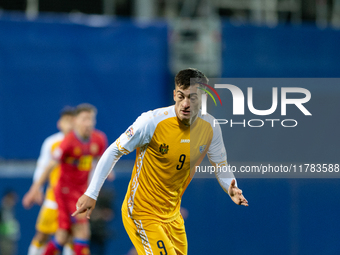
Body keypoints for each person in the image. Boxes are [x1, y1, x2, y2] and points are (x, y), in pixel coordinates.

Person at [73, 69, 248, 255]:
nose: (186, 104)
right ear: (174, 94)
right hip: (141, 211)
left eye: (193, 98)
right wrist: (92, 193)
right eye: (181, 96)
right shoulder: (151, 122)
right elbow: (114, 151)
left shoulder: (210, 127)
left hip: (172, 216)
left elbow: (221, 166)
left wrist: (230, 186)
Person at [29, 103, 108, 255]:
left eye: (91, 119)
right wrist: (35, 188)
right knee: (82, 232)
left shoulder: (99, 139)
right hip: (66, 193)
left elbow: (101, 160)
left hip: (82, 192)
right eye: (85, 119)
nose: (89, 123)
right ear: (76, 121)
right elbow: (50, 165)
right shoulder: (67, 142)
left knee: (63, 236)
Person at [22, 106, 75, 255]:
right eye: (66, 120)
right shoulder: (51, 142)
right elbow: (43, 166)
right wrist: (36, 189)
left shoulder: (82, 142)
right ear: (59, 123)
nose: (69, 124)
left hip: (74, 199)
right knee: (42, 234)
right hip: (53, 198)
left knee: (71, 238)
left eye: (72, 120)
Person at [0, 190, 20, 255]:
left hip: (10, 240)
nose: (14, 201)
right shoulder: (2, 211)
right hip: (4, 240)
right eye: (12, 199)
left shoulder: (11, 210)